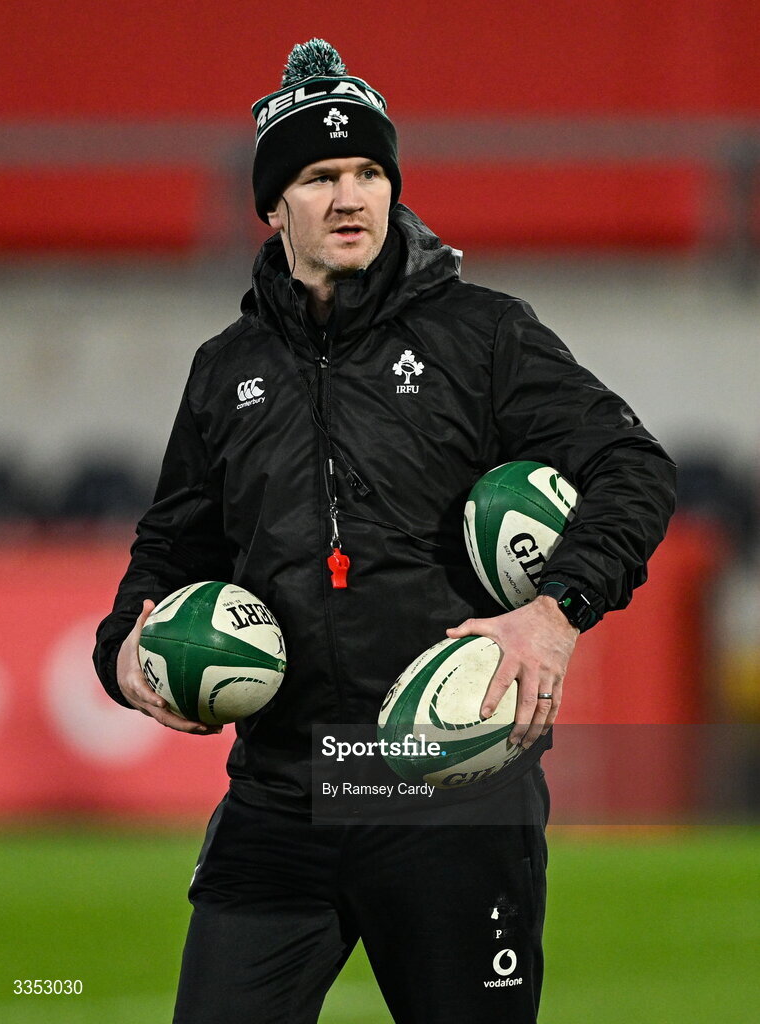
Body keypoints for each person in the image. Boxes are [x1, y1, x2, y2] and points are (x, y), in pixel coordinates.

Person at [94, 39, 675, 1024]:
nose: (350, 194)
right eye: (319, 177)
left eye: (368, 171)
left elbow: (633, 469)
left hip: (452, 795)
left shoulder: (481, 336)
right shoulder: (223, 368)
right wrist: (127, 660)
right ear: (274, 204)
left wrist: (553, 610)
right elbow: (168, 555)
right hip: (283, 795)